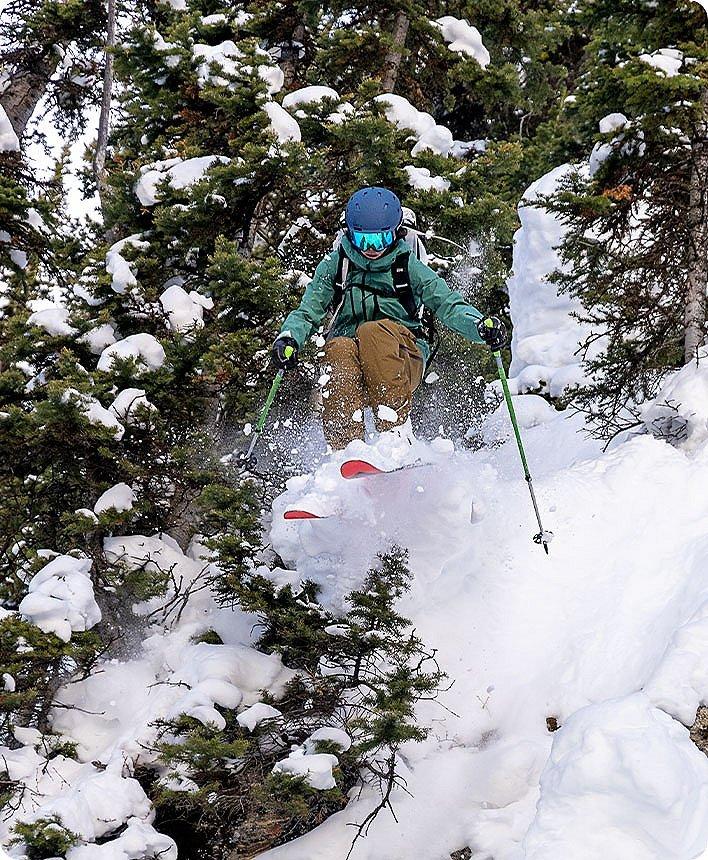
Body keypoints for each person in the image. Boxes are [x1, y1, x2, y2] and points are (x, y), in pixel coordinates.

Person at [272, 186, 506, 449]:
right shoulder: (337, 265)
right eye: (363, 240)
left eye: (381, 239)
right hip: (355, 366)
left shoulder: (407, 266)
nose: (372, 249)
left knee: (373, 332)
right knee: (337, 347)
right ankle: (346, 449)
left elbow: (447, 303)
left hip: (402, 358)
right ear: (349, 234)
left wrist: (478, 325)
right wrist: (289, 338)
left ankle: (395, 436)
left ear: (396, 234)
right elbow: (307, 311)